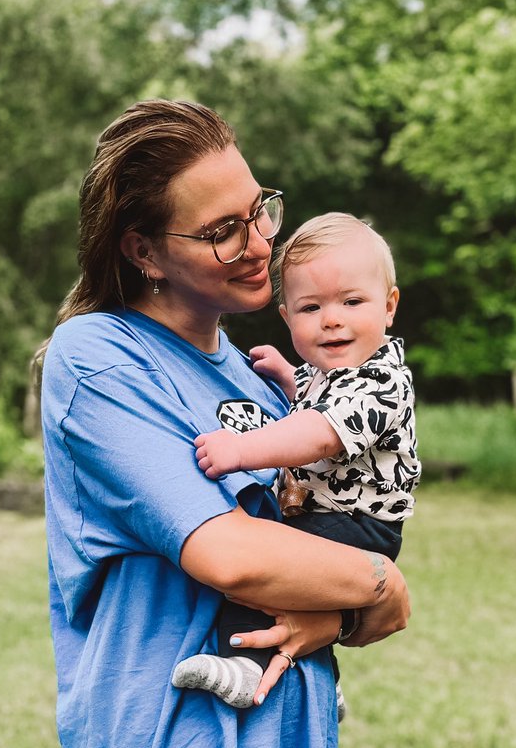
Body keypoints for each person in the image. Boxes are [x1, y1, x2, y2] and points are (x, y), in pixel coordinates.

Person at [40, 99, 410, 748]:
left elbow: (318, 535)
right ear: (143, 251)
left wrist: (352, 595)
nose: (259, 246)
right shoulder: (99, 359)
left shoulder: (243, 367)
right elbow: (234, 559)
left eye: (260, 210)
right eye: (220, 229)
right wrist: (384, 583)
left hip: (280, 742)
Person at [171, 213, 420, 716]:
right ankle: (323, 676)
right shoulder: (331, 374)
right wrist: (290, 381)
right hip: (329, 514)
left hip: (360, 524)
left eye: (352, 302)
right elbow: (313, 404)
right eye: (311, 307)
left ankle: (247, 664)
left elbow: (319, 434)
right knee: (289, 568)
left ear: (389, 307)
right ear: (287, 318)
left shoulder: (382, 381)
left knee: (275, 563)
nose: (332, 319)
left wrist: (242, 450)